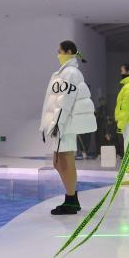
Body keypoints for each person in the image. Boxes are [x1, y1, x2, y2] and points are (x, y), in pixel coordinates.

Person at [39, 40, 97, 215]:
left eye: (60, 51)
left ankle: (71, 200)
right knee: (58, 162)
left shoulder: (71, 73)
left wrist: (59, 122)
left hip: (65, 124)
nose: (58, 55)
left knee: (64, 161)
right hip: (61, 123)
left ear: (69, 51)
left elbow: (66, 100)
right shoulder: (64, 72)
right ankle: (72, 198)